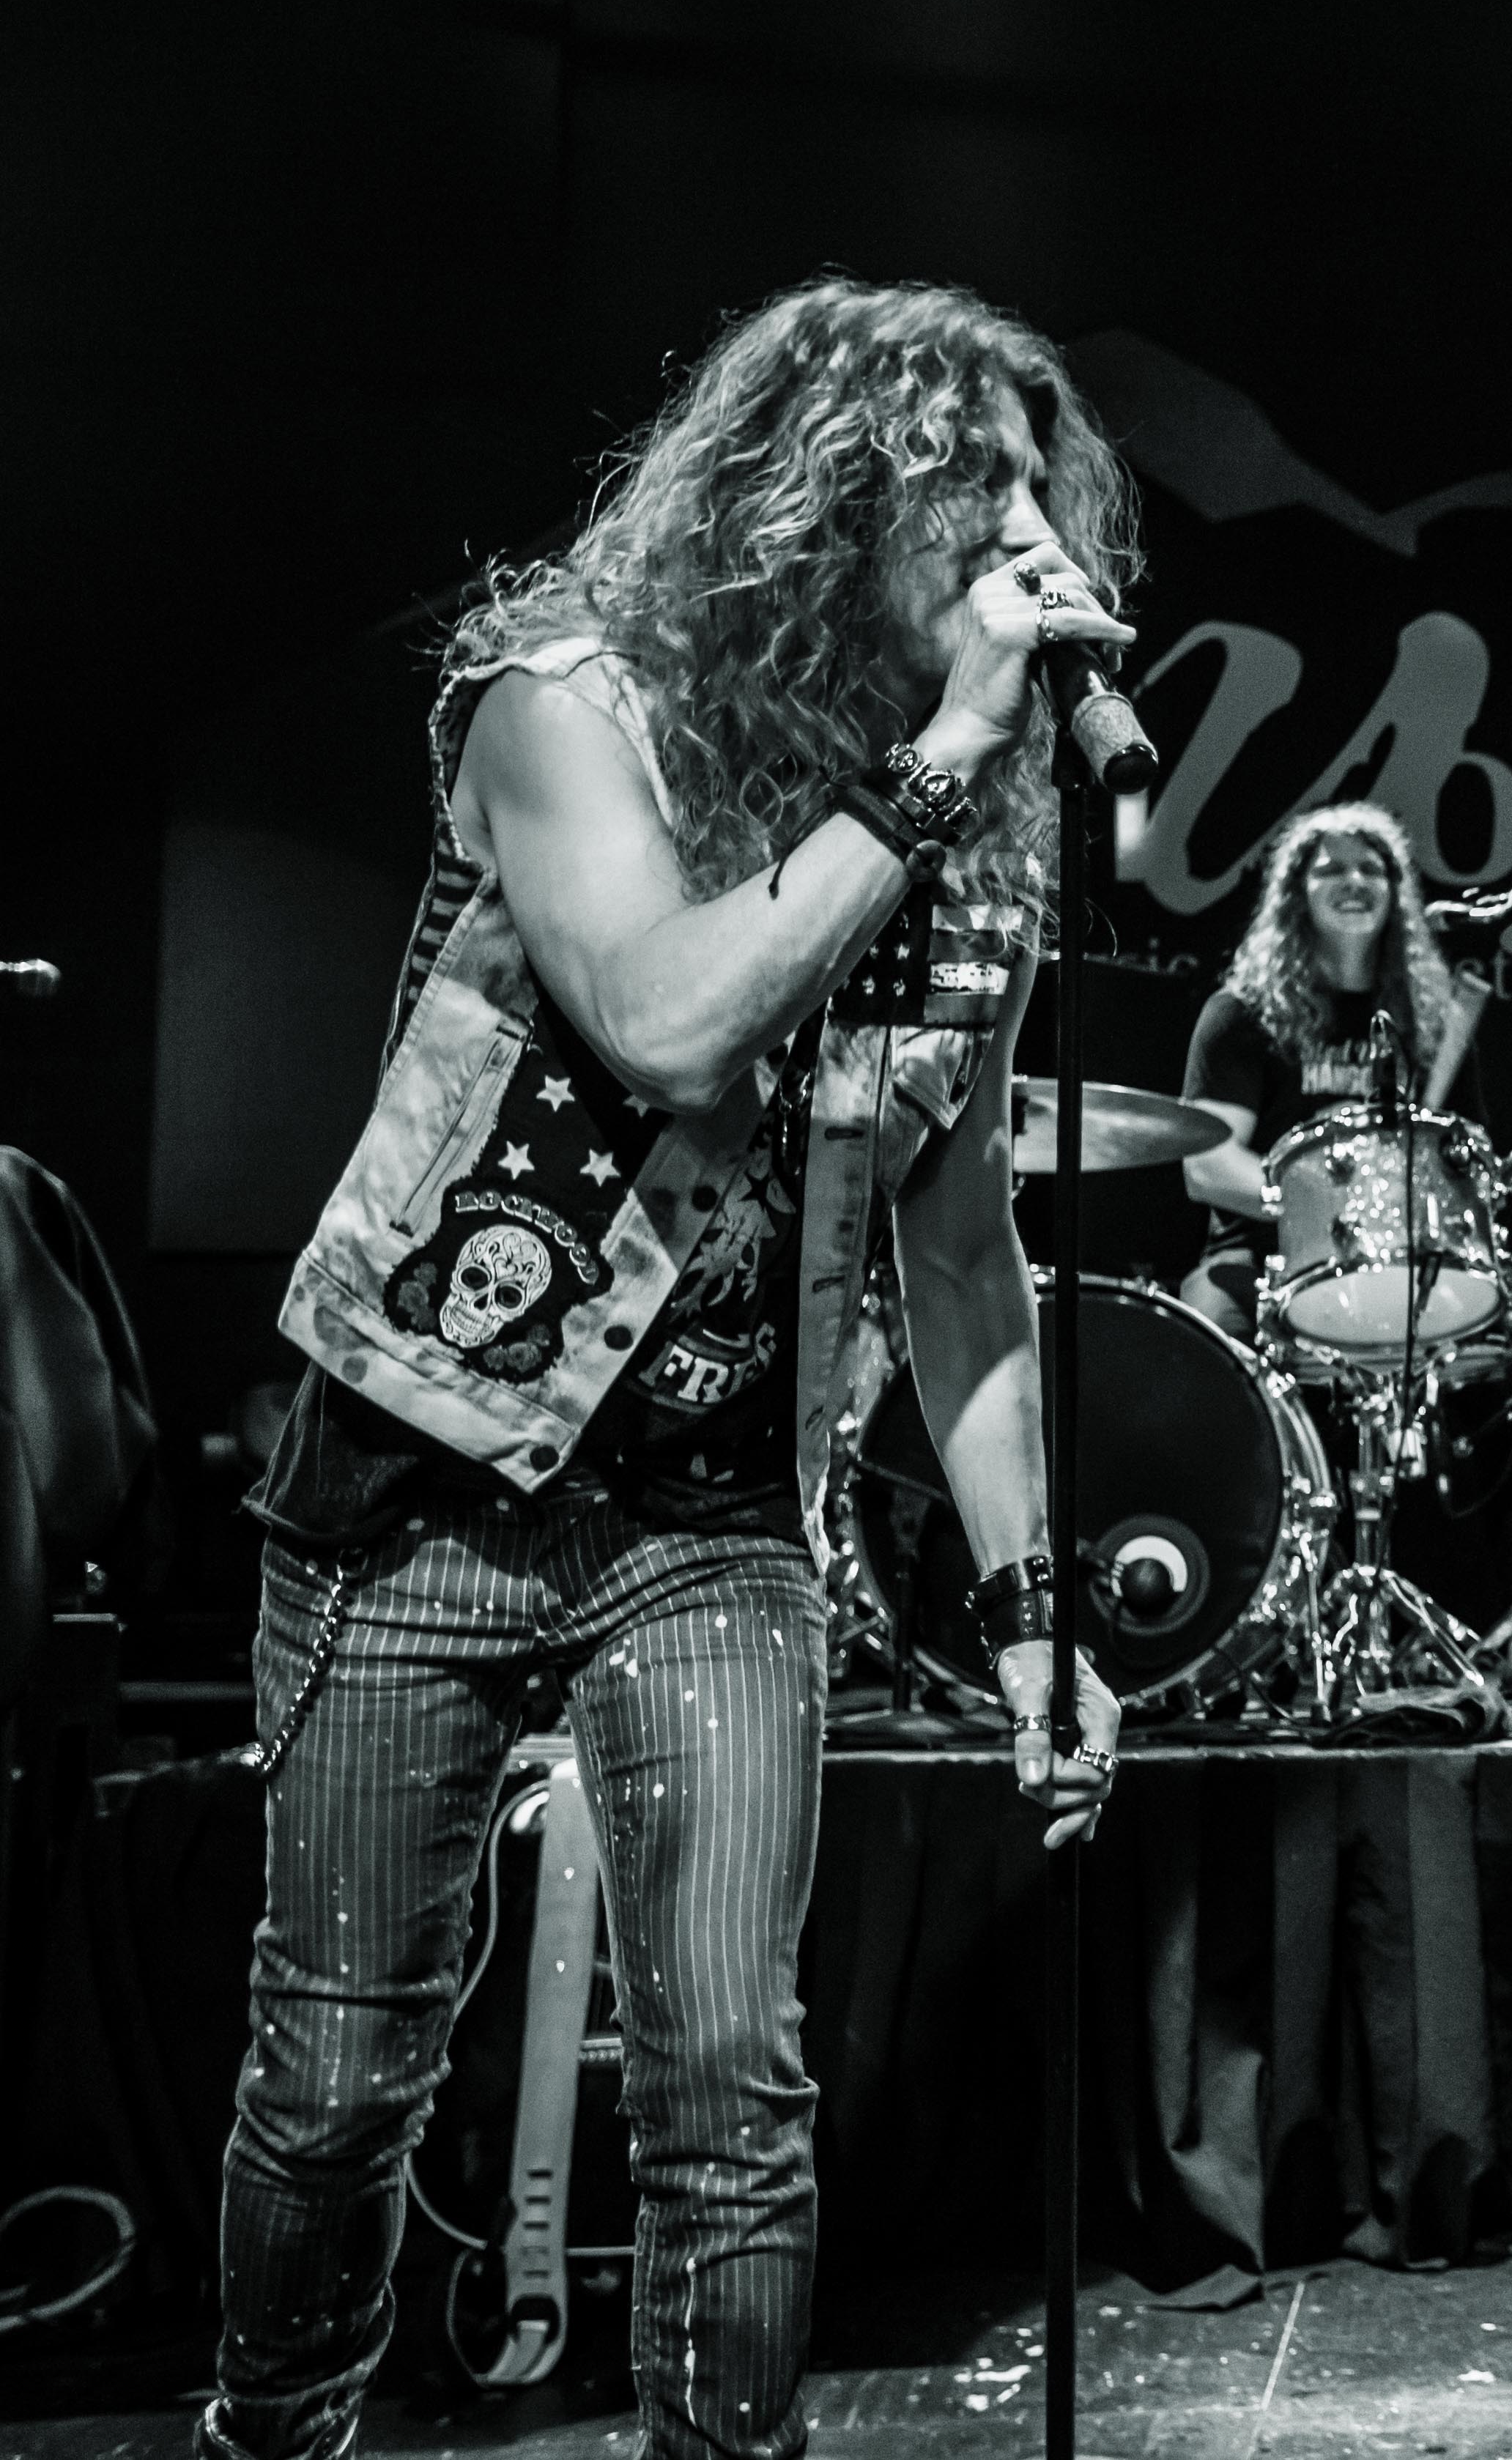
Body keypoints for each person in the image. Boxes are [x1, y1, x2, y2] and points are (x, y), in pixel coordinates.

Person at [210, 278, 1132, 2460]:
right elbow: (663, 1018)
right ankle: (274, 2430)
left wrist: (1030, 1614)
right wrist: (935, 765)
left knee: (731, 2083)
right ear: (823, 504)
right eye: (968, 487)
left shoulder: (968, 859)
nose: (1021, 534)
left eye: (1037, 489)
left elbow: (958, 1259)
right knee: (338, 2076)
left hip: (711, 1521)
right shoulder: (569, 702)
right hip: (416, 1480)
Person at [1176, 800, 1494, 1344]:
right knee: (1213, 1343)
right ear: (1296, 893)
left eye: (1371, 869)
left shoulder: (1434, 1021)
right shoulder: (1241, 1013)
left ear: (1396, 893)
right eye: (1331, 869)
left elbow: (1469, 1157)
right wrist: (1328, 1205)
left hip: (1403, 1256)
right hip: (1261, 1257)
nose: (1355, 881)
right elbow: (1207, 1167)